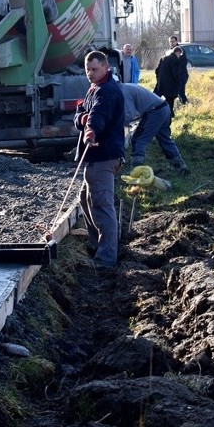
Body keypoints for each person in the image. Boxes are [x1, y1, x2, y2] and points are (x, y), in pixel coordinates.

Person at [73, 50, 125, 269]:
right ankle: (98, 245)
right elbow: (82, 113)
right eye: (87, 70)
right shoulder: (94, 88)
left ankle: (106, 260)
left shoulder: (107, 91)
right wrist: (82, 119)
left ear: (105, 67)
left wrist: (90, 131)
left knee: (102, 206)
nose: (90, 74)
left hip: (105, 156)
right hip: (96, 157)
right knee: (86, 200)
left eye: (94, 69)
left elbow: (98, 116)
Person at [120, 83, 188, 173]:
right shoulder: (127, 86)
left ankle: (135, 171)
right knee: (165, 140)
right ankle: (180, 167)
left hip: (154, 111)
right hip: (164, 107)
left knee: (138, 140)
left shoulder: (123, 91)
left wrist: (116, 125)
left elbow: (129, 114)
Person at [154, 36, 184, 118]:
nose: (179, 56)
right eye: (180, 55)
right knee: (170, 100)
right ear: (177, 52)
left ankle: (152, 111)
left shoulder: (163, 58)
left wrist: (159, 79)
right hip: (170, 85)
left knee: (155, 98)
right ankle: (169, 114)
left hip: (161, 83)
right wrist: (178, 82)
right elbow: (175, 73)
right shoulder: (176, 60)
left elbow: (157, 70)